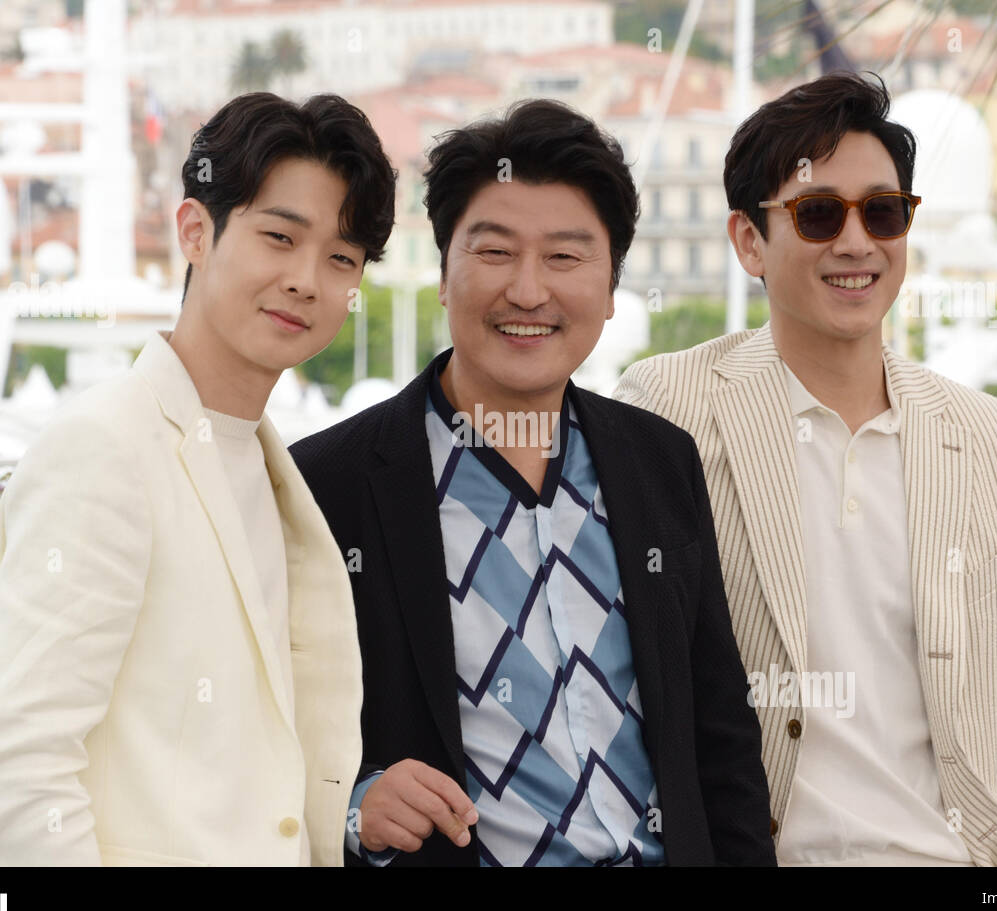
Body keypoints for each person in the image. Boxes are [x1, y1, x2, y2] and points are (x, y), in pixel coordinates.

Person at [291, 99, 775, 867]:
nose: (527, 291)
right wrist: (355, 807)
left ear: (611, 288)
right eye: (494, 253)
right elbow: (267, 738)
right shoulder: (326, 483)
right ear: (444, 274)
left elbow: (719, 733)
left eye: (565, 257)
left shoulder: (660, 462)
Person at [614, 72, 997, 866]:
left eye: (884, 213)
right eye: (819, 214)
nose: (857, 243)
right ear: (749, 240)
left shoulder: (996, 439)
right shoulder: (669, 404)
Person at [0, 92, 397, 865]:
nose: (306, 280)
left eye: (340, 258)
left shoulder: (272, 466)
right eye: (278, 237)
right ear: (195, 230)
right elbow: (16, 777)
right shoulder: (103, 453)